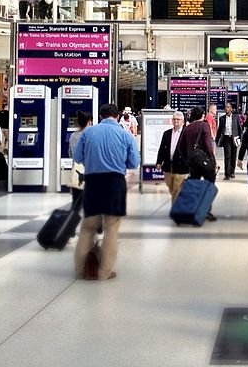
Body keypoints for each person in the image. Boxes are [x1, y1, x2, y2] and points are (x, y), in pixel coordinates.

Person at [73, 103, 140, 280]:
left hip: (93, 182)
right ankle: (104, 272)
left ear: (101, 116)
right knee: (111, 229)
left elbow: (77, 157)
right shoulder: (125, 135)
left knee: (88, 228)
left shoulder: (88, 132)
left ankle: (80, 270)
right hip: (115, 183)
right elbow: (134, 163)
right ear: (117, 116)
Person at [179, 106, 218, 221]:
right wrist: (213, 160)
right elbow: (207, 145)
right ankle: (206, 210)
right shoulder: (204, 126)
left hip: (193, 162)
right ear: (202, 116)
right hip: (205, 161)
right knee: (208, 186)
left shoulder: (187, 128)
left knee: (194, 185)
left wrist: (188, 159)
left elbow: (180, 147)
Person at [155, 111, 188, 201]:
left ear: (183, 121)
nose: (176, 121)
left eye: (178, 119)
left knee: (177, 189)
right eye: (174, 119)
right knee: (171, 187)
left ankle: (176, 208)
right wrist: (159, 162)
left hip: (181, 167)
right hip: (168, 166)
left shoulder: (186, 133)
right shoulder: (167, 133)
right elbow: (161, 148)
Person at [68, 111, 92, 209]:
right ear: (89, 122)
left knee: (76, 199)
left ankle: (73, 219)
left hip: (77, 170)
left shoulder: (73, 135)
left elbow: (70, 153)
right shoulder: (91, 135)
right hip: (90, 170)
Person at [216, 102, 242, 180]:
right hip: (226, 138)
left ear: (231, 109)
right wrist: (217, 140)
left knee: (233, 156)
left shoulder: (236, 117)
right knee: (227, 156)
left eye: (228, 107)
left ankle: (232, 172)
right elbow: (220, 130)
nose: (226, 109)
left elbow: (239, 128)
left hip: (234, 138)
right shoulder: (222, 118)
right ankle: (227, 174)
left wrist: (241, 138)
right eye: (226, 107)